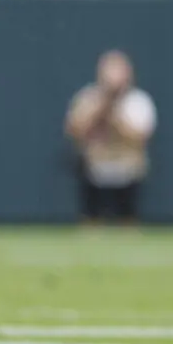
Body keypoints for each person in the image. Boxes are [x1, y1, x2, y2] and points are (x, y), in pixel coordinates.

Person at [64, 50, 158, 226]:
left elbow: (140, 137)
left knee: (127, 221)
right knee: (91, 222)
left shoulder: (138, 100)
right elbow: (74, 130)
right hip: (95, 169)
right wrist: (100, 108)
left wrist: (114, 114)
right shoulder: (88, 98)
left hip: (127, 170)